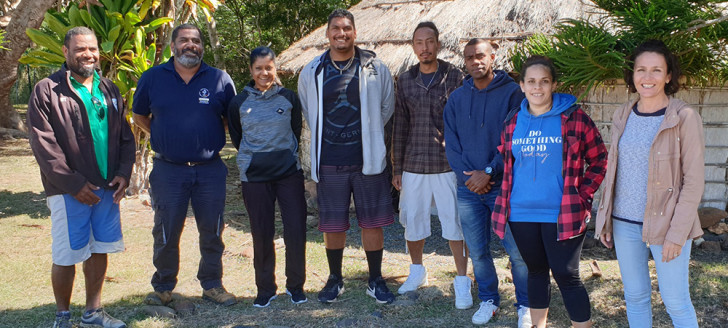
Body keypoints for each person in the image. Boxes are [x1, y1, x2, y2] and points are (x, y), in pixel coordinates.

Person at [27, 26, 134, 328]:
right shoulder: (47, 90)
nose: (88, 54)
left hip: (106, 188)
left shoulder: (109, 89)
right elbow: (43, 143)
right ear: (65, 52)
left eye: (92, 49)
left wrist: (124, 173)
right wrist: (73, 184)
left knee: (99, 247)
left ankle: (93, 312)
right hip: (68, 190)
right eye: (80, 49)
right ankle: (62, 316)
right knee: (66, 253)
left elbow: (125, 137)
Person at [491, 56, 607, 328]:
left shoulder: (574, 118)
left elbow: (600, 159)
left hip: (562, 212)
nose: (537, 87)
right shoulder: (512, 122)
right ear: (521, 85)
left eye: (544, 81)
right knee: (536, 272)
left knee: (567, 275)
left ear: (554, 84)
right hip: (520, 212)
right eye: (531, 81)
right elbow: (509, 164)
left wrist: (582, 195)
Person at [595, 39, 704, 327]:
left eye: (657, 70)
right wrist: (605, 219)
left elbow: (693, 182)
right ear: (632, 75)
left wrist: (677, 234)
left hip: (667, 224)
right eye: (641, 70)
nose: (648, 77)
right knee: (635, 295)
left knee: (676, 301)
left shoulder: (683, 117)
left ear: (669, 76)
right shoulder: (623, 113)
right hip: (624, 222)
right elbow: (615, 168)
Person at [132, 24, 237, 307]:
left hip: (209, 169)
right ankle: (164, 286)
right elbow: (139, 114)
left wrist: (206, 135)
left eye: (196, 41)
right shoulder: (153, 78)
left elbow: (230, 118)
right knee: (166, 230)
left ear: (202, 46)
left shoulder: (219, 79)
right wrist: (162, 135)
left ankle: (212, 285)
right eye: (184, 41)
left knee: (213, 229)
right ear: (173, 45)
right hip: (169, 170)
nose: (190, 45)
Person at [298, 8, 396, 304]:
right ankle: (334, 279)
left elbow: (386, 108)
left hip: (368, 160)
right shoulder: (312, 70)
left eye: (347, 28)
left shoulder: (375, 68)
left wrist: (367, 134)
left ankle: (375, 280)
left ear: (355, 33)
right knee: (333, 223)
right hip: (328, 160)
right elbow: (308, 109)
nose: (341, 33)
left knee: (372, 222)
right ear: (327, 34)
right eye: (336, 29)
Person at [443, 38, 531, 326]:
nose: (475, 62)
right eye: (469, 58)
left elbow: (516, 139)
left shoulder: (512, 94)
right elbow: (451, 144)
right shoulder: (456, 98)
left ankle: (526, 305)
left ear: (493, 57)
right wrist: (470, 178)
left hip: (503, 187)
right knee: (478, 252)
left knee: (516, 252)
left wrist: (490, 171)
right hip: (468, 189)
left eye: (480, 56)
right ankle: (489, 300)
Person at [391, 21, 470, 307]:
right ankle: (417, 271)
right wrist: (397, 167)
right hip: (413, 163)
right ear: (413, 46)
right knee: (413, 222)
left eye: (429, 41)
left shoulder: (455, 76)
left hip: (447, 164)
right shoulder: (405, 79)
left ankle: (462, 281)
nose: (424, 47)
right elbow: (400, 125)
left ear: (437, 43)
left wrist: (465, 164)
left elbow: (465, 123)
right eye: (418, 42)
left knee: (455, 225)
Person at [227, 46, 308, 308]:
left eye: (269, 68)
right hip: (255, 177)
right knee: (262, 233)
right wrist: (255, 160)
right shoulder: (239, 103)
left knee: (295, 229)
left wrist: (283, 157)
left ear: (276, 69)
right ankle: (265, 289)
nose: (264, 73)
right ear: (251, 71)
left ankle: (295, 286)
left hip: (288, 174)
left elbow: (295, 131)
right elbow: (238, 138)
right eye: (259, 68)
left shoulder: (288, 98)